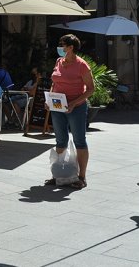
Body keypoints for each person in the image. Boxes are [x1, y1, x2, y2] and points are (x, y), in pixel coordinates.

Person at [44, 34, 94, 189]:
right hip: (58, 106)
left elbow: (91, 89)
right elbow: (54, 82)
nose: (60, 47)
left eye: (62, 44)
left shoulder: (82, 65)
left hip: (76, 107)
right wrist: (49, 99)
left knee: (79, 140)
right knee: (60, 140)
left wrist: (73, 103)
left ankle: (82, 177)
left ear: (71, 47)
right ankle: (58, 174)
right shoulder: (59, 61)